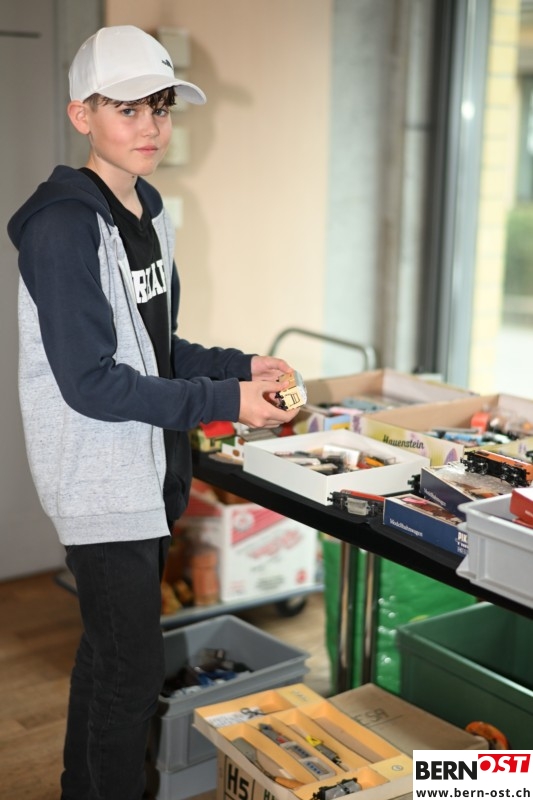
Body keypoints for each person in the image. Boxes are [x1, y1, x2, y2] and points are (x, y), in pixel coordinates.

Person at [7, 25, 299, 800]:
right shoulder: (63, 225)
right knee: (130, 678)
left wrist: (237, 366)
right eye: (127, 108)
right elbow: (91, 383)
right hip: (98, 481)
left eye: (161, 108)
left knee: (110, 659)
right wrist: (224, 402)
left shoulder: (149, 209)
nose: (151, 127)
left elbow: (156, 345)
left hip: (147, 468)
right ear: (82, 115)